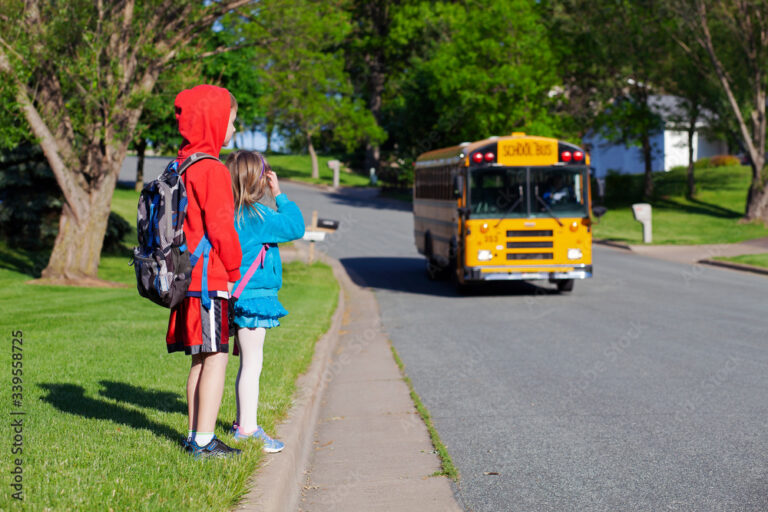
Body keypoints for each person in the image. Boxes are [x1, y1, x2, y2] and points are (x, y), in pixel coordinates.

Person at [165, 84, 243, 458]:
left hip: (184, 277)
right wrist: (234, 268)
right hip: (210, 280)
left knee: (200, 358)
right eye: (231, 121)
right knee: (216, 359)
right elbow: (222, 228)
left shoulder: (181, 163)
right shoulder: (211, 169)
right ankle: (203, 441)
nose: (233, 130)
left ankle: (195, 434)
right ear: (213, 121)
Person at [225, 150, 305, 453]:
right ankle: (247, 429)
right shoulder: (259, 216)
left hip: (235, 297)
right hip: (255, 298)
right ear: (259, 181)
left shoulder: (229, 213)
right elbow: (295, 227)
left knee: (247, 363)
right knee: (252, 364)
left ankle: (241, 422)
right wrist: (280, 194)